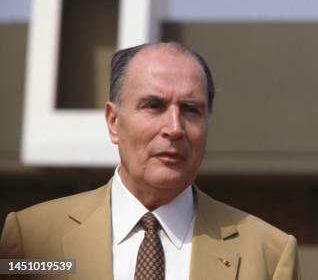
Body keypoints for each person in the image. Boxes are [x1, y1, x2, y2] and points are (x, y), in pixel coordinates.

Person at [1, 42, 300, 280]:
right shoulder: (32, 238)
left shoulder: (268, 254)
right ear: (113, 122)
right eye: (153, 105)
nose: (174, 127)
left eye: (191, 109)